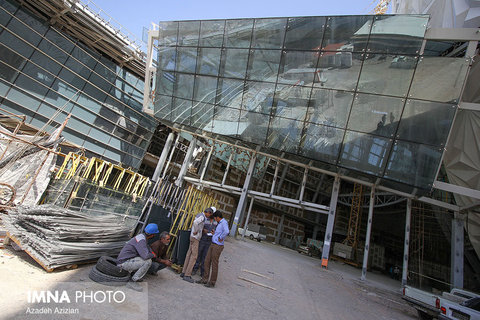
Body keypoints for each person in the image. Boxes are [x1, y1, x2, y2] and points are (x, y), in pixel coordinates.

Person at [117, 223, 159, 291]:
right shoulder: (141, 240)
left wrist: (151, 252)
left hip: (126, 260)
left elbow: (147, 247)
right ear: (152, 234)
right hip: (123, 263)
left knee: (142, 258)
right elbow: (145, 256)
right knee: (147, 261)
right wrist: (153, 255)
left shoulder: (142, 236)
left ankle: (133, 274)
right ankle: (132, 281)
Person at [180, 207, 214, 283]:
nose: (209, 216)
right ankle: (187, 275)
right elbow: (195, 223)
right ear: (208, 212)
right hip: (195, 238)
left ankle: (183, 271)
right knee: (194, 256)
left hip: (192, 236)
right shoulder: (202, 217)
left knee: (189, 254)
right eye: (209, 214)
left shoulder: (199, 215)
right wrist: (197, 231)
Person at [196, 211, 229, 288]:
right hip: (213, 243)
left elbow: (226, 231)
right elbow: (220, 232)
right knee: (207, 261)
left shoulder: (224, 222)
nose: (215, 219)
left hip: (217, 246)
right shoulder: (220, 223)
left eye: (215, 218)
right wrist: (215, 233)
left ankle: (212, 282)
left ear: (217, 217)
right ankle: (205, 278)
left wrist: (221, 237)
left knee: (214, 263)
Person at [192, 207, 217, 277]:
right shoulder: (205, 219)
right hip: (203, 238)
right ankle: (195, 268)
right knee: (198, 254)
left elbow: (216, 230)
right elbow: (200, 226)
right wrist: (203, 230)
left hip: (209, 240)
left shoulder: (215, 222)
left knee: (205, 256)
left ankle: (202, 272)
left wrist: (213, 232)